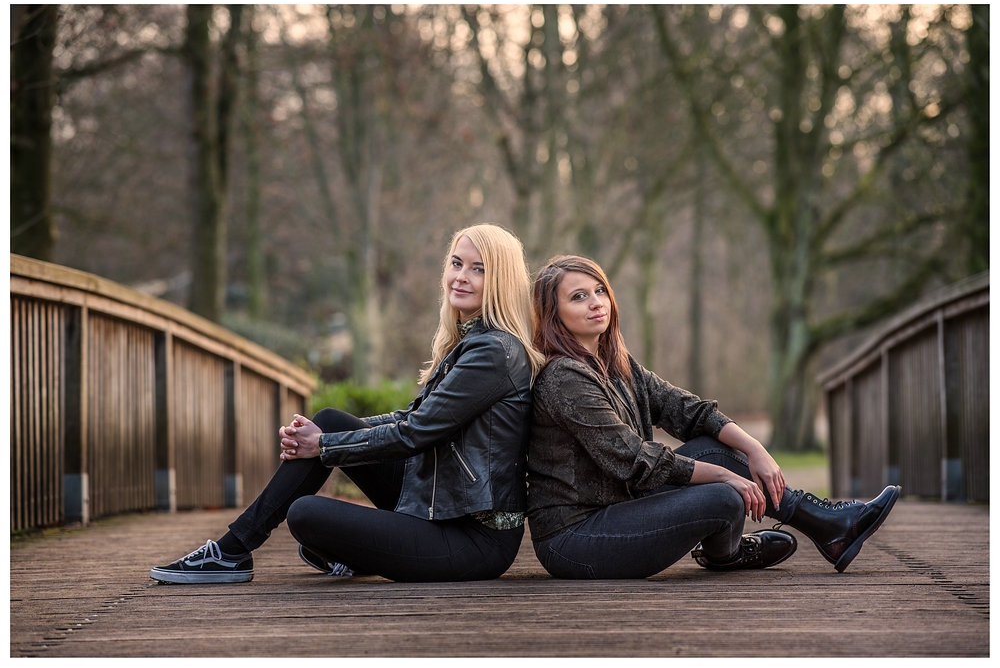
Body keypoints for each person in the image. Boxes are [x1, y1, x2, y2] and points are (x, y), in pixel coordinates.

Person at [151, 224, 545, 584]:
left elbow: (416, 432)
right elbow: (410, 417)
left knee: (307, 514)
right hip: (435, 501)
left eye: (478, 269)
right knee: (330, 420)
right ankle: (235, 550)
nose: (461, 277)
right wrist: (326, 437)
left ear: (501, 280)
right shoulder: (472, 339)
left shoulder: (494, 351)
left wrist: (322, 447)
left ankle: (244, 550)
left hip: (472, 537)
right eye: (457, 263)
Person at [525, 255, 900, 579]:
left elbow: (687, 410)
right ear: (553, 314)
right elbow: (634, 458)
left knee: (717, 448)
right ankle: (727, 554)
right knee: (724, 496)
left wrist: (756, 449)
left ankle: (829, 527)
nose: (597, 303)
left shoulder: (615, 363)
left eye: (600, 290)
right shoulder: (564, 377)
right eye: (579, 297)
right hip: (575, 536)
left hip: (621, 502)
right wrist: (725, 477)